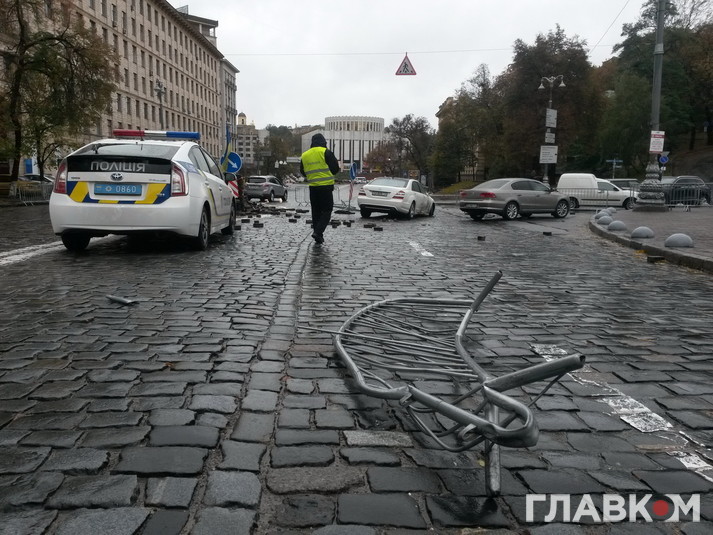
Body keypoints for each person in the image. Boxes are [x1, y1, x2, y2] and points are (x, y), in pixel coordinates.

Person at [300, 133, 340, 244]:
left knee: (316, 211)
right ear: (323, 142)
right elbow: (335, 169)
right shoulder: (326, 152)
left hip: (313, 187)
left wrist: (312, 176)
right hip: (326, 187)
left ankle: (318, 234)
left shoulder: (305, 155)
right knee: (327, 210)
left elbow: (303, 171)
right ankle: (318, 232)